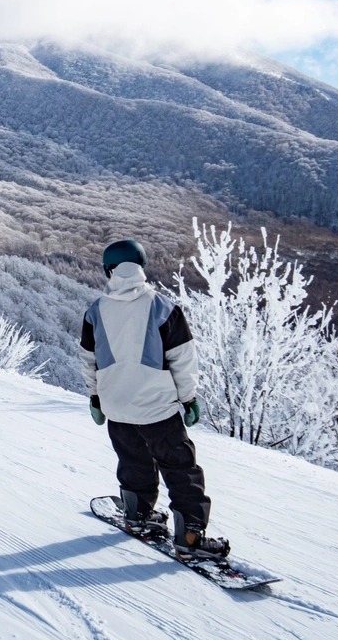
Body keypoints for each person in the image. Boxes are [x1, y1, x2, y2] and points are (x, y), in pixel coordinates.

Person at [80, 239, 230, 559]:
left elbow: (88, 359)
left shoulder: (96, 310)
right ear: (141, 266)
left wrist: (95, 397)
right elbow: (183, 358)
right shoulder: (162, 306)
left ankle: (137, 515)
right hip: (156, 406)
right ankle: (190, 536)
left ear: (109, 269)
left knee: (133, 459)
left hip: (116, 405)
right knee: (179, 466)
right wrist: (188, 399)